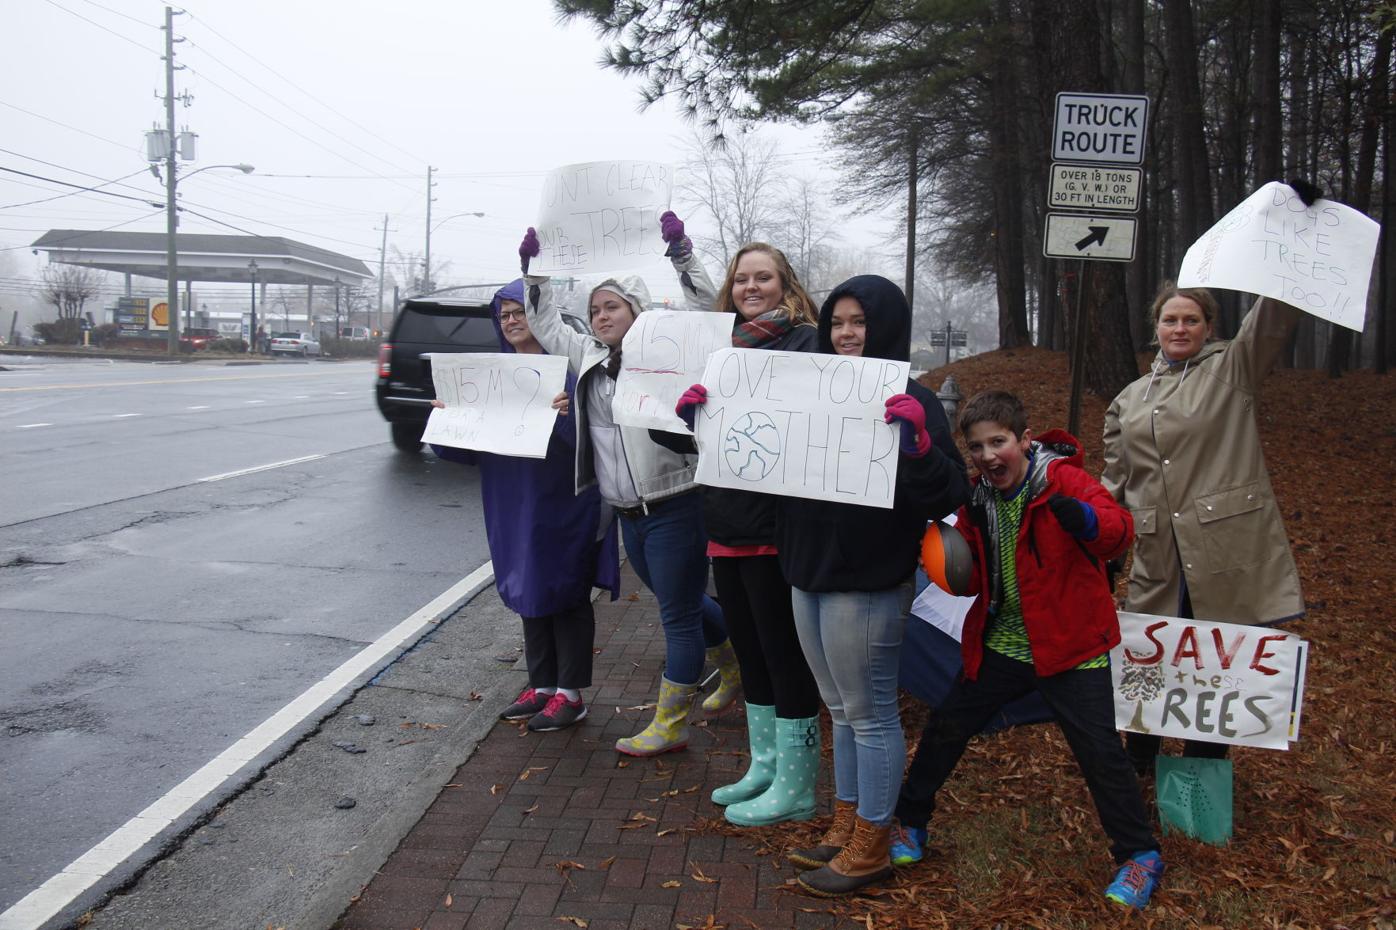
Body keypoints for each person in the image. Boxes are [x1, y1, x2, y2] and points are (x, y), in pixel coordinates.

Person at [889, 389, 1163, 910]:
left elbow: (1118, 533)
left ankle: (1140, 855)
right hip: (1005, 644)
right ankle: (911, 823)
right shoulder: (978, 499)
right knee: (947, 725)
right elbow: (973, 578)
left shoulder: (1063, 481)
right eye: (977, 447)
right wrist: (947, 565)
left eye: (999, 442)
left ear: (1025, 440)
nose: (989, 455)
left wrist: (1086, 522)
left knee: (1101, 753)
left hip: (1072, 647)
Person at [518, 215, 738, 757]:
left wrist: (681, 252)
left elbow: (709, 306)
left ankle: (671, 722)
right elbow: (544, 322)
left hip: (675, 503)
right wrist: (534, 273)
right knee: (675, 598)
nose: (600, 316)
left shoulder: (666, 353)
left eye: (611, 306)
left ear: (636, 311)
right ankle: (736, 660)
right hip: (625, 513)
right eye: (595, 309)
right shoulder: (588, 357)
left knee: (677, 616)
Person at [1103, 206, 1311, 772]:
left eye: (1191, 320)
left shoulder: (1231, 371)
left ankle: (1202, 767)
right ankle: (1139, 762)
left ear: (1209, 327)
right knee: (1150, 659)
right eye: (1170, 319)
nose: (1179, 329)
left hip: (1223, 551)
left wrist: (1292, 234)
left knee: (1218, 660)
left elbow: (1273, 317)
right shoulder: (1129, 397)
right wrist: (1096, 538)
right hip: (1156, 554)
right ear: (1157, 326)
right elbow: (1115, 482)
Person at [781, 275, 969, 897]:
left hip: (867, 578)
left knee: (869, 713)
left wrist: (919, 446)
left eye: (858, 322)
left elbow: (949, 495)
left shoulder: (912, 398)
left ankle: (872, 844)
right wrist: (708, 418)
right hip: (808, 569)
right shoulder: (808, 389)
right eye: (837, 322)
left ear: (885, 326)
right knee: (839, 710)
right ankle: (847, 824)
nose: (845, 333)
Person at [662, 240, 824, 827]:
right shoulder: (718, 350)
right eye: (742, 280)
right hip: (724, 524)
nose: (751, 288)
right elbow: (695, 442)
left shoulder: (807, 343)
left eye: (764, 278)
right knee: (751, 654)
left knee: (784, 656)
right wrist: (685, 417)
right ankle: (765, 765)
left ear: (785, 284)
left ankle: (798, 785)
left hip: (778, 530)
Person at [429, 280, 620, 731]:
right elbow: (463, 451)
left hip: (564, 502)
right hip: (510, 502)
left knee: (565, 591)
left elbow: (598, 446)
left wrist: (567, 416)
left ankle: (570, 695)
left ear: (538, 314)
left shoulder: (571, 373)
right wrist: (445, 420)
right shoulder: (488, 378)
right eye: (504, 315)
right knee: (527, 588)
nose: (511, 321)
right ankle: (543, 685)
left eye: (519, 311)